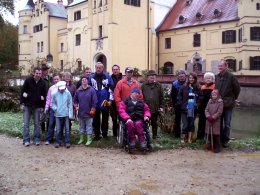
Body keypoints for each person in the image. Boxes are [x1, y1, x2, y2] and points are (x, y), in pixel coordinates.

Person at [215, 59, 240, 147]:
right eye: (219, 66)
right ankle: (219, 139)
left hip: (228, 104)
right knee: (219, 123)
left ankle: (225, 140)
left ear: (226, 66)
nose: (220, 67)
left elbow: (237, 89)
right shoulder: (216, 76)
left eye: (221, 66)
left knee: (227, 123)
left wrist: (233, 98)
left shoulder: (231, 77)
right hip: (219, 104)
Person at [20, 66, 47, 146]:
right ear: (34, 73)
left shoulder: (43, 82)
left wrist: (43, 106)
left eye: (40, 73)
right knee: (26, 124)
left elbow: (44, 95)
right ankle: (26, 140)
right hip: (27, 105)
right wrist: (22, 103)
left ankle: (36, 139)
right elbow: (23, 92)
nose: (38, 75)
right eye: (37, 73)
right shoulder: (28, 80)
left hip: (37, 106)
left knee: (37, 124)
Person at [89, 62, 114, 140]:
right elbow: (88, 89)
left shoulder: (107, 76)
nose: (98, 69)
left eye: (100, 67)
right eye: (97, 67)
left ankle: (105, 135)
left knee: (105, 119)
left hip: (105, 102)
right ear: (95, 68)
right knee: (96, 120)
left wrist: (110, 100)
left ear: (103, 68)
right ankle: (97, 135)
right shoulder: (91, 77)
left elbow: (111, 89)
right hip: (95, 102)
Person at [74, 76, 98, 145]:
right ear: (81, 81)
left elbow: (94, 100)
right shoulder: (78, 90)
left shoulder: (91, 90)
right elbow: (75, 100)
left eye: (85, 80)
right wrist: (76, 106)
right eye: (82, 80)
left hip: (89, 112)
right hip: (80, 112)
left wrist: (93, 109)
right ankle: (81, 139)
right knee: (81, 126)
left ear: (88, 81)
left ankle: (89, 139)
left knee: (89, 126)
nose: (84, 81)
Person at [177, 72, 200, 144]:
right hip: (184, 108)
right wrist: (180, 104)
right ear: (188, 78)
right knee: (185, 124)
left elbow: (201, 97)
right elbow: (179, 96)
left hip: (193, 109)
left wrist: (198, 104)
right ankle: (184, 138)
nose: (191, 79)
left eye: (193, 78)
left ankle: (190, 139)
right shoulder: (184, 86)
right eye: (190, 78)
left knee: (191, 124)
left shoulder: (198, 87)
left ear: (195, 79)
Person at [141, 70, 163, 139]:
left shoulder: (158, 85)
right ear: (147, 77)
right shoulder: (144, 85)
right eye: (151, 76)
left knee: (154, 123)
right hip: (146, 108)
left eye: (154, 76)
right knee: (145, 123)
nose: (152, 77)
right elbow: (141, 96)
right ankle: (145, 136)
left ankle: (155, 136)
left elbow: (161, 97)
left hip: (155, 108)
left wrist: (161, 107)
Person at [52, 81, 73, 148]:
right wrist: (56, 109)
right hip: (58, 115)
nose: (62, 90)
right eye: (61, 89)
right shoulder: (55, 94)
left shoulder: (68, 93)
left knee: (67, 129)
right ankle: (58, 142)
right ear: (58, 88)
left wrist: (70, 114)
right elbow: (53, 104)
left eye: (63, 88)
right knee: (58, 129)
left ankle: (67, 142)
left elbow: (70, 103)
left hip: (66, 114)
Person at [197, 72, 215, 140]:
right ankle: (200, 137)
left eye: (209, 78)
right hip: (202, 108)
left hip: (211, 108)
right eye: (206, 78)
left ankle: (209, 138)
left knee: (210, 123)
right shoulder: (202, 87)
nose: (208, 79)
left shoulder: (215, 87)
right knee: (201, 122)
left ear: (212, 79)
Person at [44, 73, 61, 145]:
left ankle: (58, 139)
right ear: (53, 80)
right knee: (51, 124)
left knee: (59, 125)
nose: (56, 80)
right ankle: (49, 139)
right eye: (55, 79)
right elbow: (48, 99)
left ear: (60, 79)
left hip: (60, 109)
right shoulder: (51, 88)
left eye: (57, 79)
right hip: (52, 109)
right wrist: (46, 107)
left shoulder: (62, 87)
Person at [170, 69, 186, 138]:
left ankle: (186, 135)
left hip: (186, 105)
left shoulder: (188, 83)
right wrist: (173, 104)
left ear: (185, 75)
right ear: (178, 76)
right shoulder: (174, 84)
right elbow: (172, 95)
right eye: (180, 74)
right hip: (178, 105)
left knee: (186, 120)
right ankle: (177, 135)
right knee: (177, 120)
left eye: (182, 74)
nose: (181, 75)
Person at [110, 64, 123, 137]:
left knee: (121, 118)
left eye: (116, 69)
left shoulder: (123, 79)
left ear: (119, 70)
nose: (115, 70)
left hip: (121, 101)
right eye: (114, 69)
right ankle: (115, 134)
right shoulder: (110, 78)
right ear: (112, 71)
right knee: (114, 118)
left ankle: (121, 134)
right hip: (112, 102)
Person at [41, 63, 52, 133]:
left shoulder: (50, 78)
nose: (46, 71)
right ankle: (43, 131)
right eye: (45, 70)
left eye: (47, 70)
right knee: (42, 117)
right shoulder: (41, 79)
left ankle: (48, 131)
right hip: (42, 100)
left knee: (48, 117)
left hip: (49, 100)